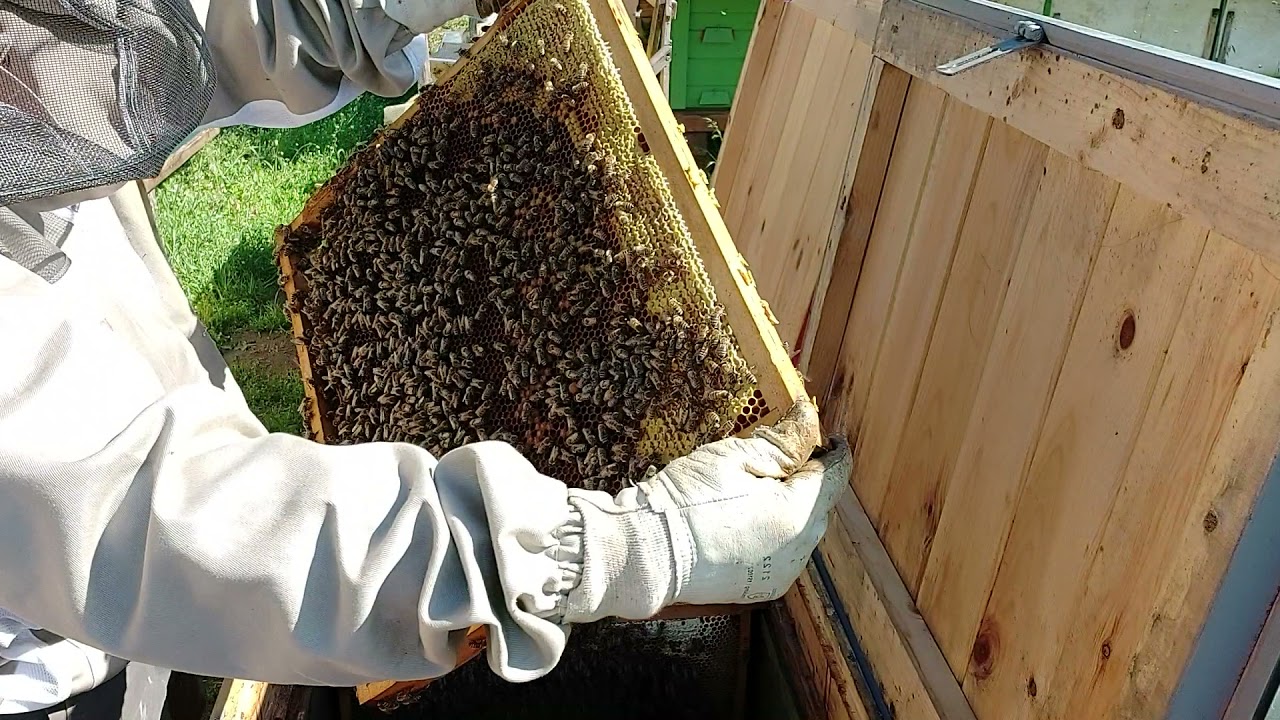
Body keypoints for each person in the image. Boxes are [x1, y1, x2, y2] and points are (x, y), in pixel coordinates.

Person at [0, 0, 853, 718]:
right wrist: (604, 553)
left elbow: (140, 46)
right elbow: (121, 515)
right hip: (55, 654)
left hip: (193, 587)